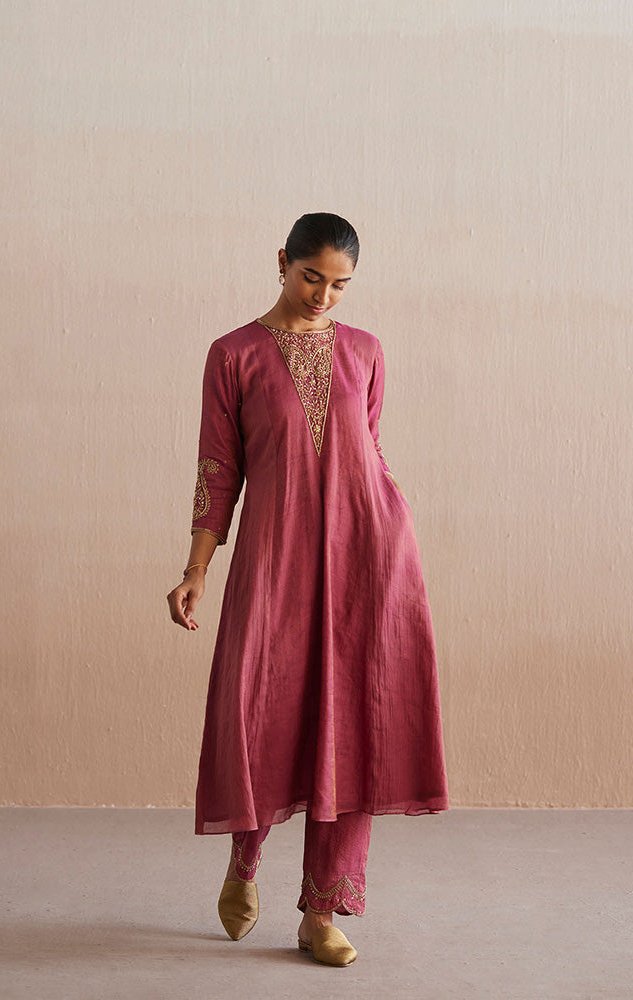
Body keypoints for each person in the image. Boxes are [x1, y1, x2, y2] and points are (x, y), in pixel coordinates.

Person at [166, 212, 449, 967]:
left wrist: (390, 530)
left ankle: (322, 911)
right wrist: (197, 569)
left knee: (356, 725)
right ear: (283, 262)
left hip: (368, 558)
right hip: (276, 558)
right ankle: (245, 859)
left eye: (341, 285)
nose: (324, 296)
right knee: (263, 711)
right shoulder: (234, 355)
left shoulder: (366, 351)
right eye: (311, 277)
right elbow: (218, 468)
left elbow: (368, 447)